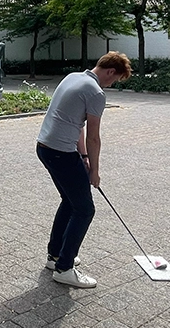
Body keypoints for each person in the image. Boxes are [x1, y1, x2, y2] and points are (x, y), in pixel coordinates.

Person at [37, 51, 132, 288]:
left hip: (45, 147)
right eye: (115, 80)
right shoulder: (95, 92)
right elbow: (94, 137)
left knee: (70, 202)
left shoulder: (74, 77)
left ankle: (56, 255)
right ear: (111, 71)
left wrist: (85, 158)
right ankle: (65, 268)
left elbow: (76, 124)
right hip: (60, 152)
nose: (112, 84)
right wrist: (95, 172)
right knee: (85, 209)